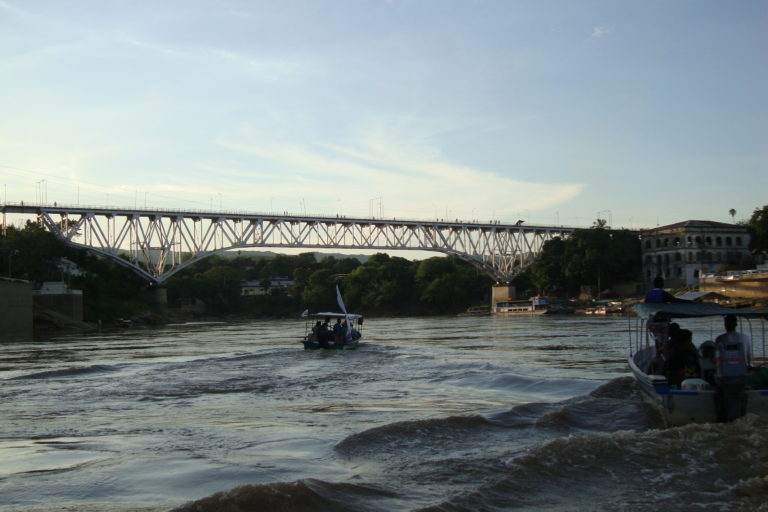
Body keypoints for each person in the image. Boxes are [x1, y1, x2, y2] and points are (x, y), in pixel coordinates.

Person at [713, 314, 751, 422]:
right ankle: (739, 419)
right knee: (739, 397)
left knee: (721, 396)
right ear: (736, 324)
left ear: (725, 325)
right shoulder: (745, 338)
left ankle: (724, 419)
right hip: (741, 376)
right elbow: (749, 359)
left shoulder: (720, 339)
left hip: (724, 377)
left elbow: (716, 359)